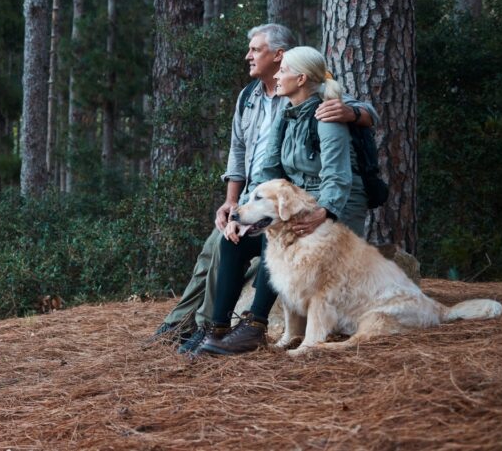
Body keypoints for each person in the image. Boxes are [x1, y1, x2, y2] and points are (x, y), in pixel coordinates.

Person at [151, 25, 377, 354]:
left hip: (318, 207)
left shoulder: (327, 109)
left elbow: (339, 175)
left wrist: (321, 213)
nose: (248, 56)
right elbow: (259, 165)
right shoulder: (269, 106)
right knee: (229, 239)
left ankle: (250, 324)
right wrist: (241, 210)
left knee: (267, 244)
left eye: (256, 50)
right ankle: (212, 328)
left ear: (289, 67)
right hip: (282, 200)